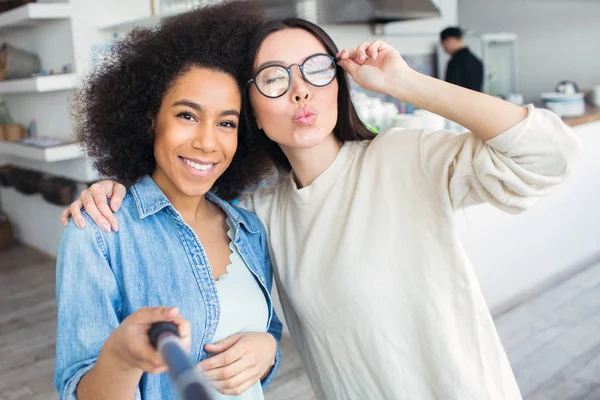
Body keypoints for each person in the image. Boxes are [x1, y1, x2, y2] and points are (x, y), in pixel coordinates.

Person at [62, 16, 582, 400]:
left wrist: (406, 84)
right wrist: (114, 182)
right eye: (273, 78)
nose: (299, 91)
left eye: (315, 69)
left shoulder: (403, 157)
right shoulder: (260, 218)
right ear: (255, 116)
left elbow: (549, 155)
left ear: (339, 82)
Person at [53, 2, 283, 399]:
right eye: (187, 116)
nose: (207, 142)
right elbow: (79, 390)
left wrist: (268, 349)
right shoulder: (99, 233)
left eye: (226, 122)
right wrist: (123, 359)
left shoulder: (248, 229)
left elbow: (267, 335)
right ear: (149, 120)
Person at [440, 26, 484, 92]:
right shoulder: (476, 61)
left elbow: (451, 91)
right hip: (475, 101)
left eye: (444, 45)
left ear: (450, 40)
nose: (444, 49)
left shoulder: (455, 63)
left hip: (458, 101)